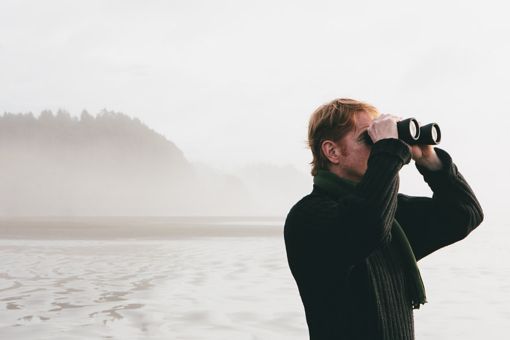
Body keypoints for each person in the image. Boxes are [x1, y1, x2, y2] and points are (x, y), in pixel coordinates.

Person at [283, 98, 484, 340]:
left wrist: (429, 160)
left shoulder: (390, 214)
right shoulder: (308, 216)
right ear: (332, 151)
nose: (378, 147)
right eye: (369, 138)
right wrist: (389, 151)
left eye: (378, 139)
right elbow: (365, 229)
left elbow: (464, 214)